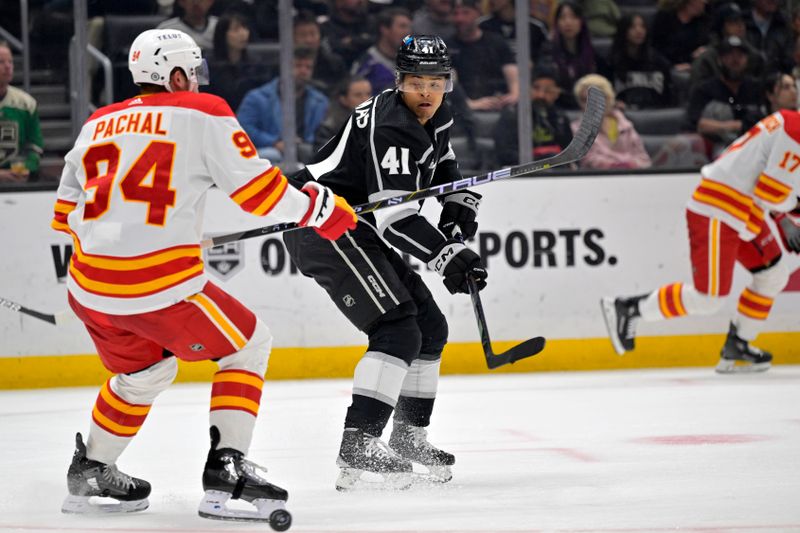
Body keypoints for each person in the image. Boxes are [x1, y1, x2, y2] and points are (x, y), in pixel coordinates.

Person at [52, 29, 356, 521]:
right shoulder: (203, 110)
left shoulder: (96, 122)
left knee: (144, 372)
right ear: (175, 74)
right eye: (191, 72)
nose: (195, 81)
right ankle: (226, 476)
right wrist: (321, 210)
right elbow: (258, 191)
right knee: (248, 344)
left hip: (89, 288)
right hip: (156, 286)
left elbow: (67, 213)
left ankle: (91, 470)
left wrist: (134, 232)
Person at [282, 34, 488, 491]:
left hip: (354, 226)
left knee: (430, 328)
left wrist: (458, 202)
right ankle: (358, 441)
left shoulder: (435, 112)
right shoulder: (393, 125)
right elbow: (396, 218)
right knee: (396, 327)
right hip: (321, 225)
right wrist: (447, 255)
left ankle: (409, 436)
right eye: (418, 83)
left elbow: (442, 160)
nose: (429, 93)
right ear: (399, 82)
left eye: (437, 83)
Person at [601, 108, 800, 374]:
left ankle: (738, 345)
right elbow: (771, 194)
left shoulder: (789, 119)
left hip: (741, 208)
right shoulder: (796, 131)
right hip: (718, 208)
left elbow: (767, 184)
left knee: (773, 274)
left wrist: (786, 219)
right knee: (709, 298)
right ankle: (629, 308)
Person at [237, 47, 329, 163]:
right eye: (298, 66)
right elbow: (244, 128)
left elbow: (321, 134)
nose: (303, 71)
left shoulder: (320, 101)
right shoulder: (256, 97)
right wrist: (274, 142)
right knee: (272, 155)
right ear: (284, 67)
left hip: (305, 153)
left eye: (308, 67)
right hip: (269, 152)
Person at [686, 35, 763, 158]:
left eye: (740, 56)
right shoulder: (704, 89)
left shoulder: (756, 87)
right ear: (719, 60)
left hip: (755, 146)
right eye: (730, 55)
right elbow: (696, 124)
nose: (735, 60)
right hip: (714, 149)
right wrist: (736, 125)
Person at [493, 63, 573, 165]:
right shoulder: (512, 115)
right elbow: (505, 155)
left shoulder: (560, 118)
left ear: (557, 93)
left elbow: (570, 155)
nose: (541, 95)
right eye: (536, 88)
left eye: (548, 90)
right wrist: (544, 159)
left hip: (556, 176)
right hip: (522, 176)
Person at [449, 0, 519, 111]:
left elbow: (511, 70)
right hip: (465, 109)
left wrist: (514, 94)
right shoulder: (447, 46)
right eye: (455, 14)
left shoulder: (496, 42)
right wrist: (470, 104)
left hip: (500, 104)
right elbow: (451, 82)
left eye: (466, 13)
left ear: (478, 13)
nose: (460, 19)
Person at [572, 74, 650, 170]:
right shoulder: (576, 129)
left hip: (632, 175)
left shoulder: (626, 125)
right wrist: (617, 166)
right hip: (598, 178)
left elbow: (643, 158)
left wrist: (630, 165)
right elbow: (589, 160)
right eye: (584, 100)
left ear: (608, 99)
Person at [606, 13, 674, 109]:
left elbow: (668, 98)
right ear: (623, 31)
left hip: (656, 115)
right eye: (633, 27)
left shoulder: (659, 62)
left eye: (642, 26)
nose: (639, 31)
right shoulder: (610, 62)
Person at [0, 41, 43, 183]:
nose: (8, 67)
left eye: (10, 62)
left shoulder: (26, 104)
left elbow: (35, 147)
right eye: (1, 62)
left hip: (16, 181)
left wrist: (26, 168)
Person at [205, 11, 266, 111]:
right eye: (236, 29)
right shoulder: (206, 64)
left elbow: (261, 95)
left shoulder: (256, 63)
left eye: (245, 28)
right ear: (223, 34)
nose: (243, 33)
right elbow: (203, 95)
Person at [550, 1, 601, 109]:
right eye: (562, 18)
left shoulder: (593, 56)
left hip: (587, 109)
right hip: (558, 108)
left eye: (573, 17)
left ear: (581, 21)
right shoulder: (548, 53)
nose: (568, 22)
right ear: (557, 23)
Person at [352, 8, 413, 95]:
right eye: (402, 26)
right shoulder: (367, 65)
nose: (407, 32)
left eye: (409, 27)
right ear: (384, 29)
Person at [314, 75, 373, 150]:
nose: (366, 99)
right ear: (343, 99)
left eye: (368, 94)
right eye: (358, 95)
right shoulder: (329, 128)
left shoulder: (379, 121)